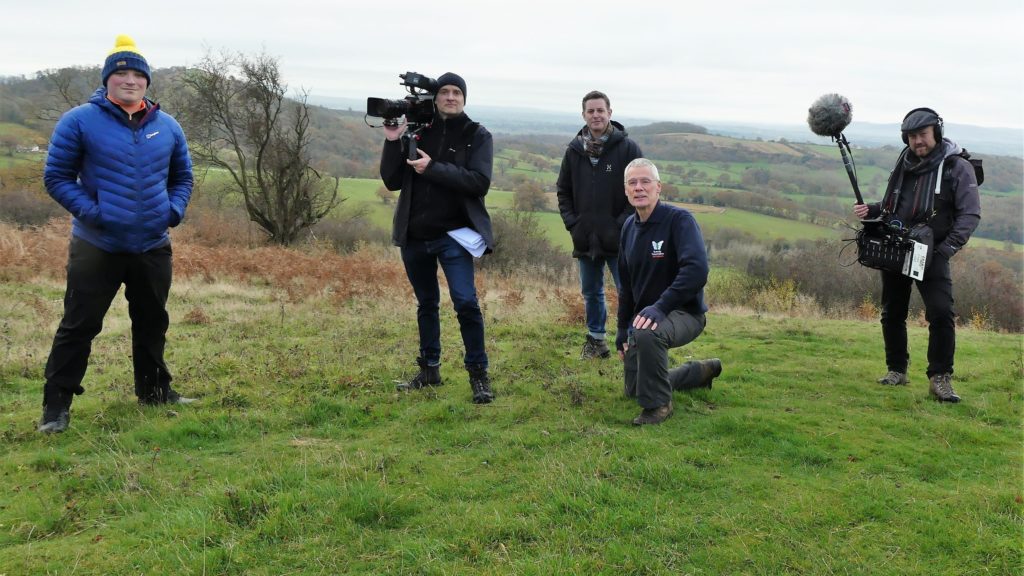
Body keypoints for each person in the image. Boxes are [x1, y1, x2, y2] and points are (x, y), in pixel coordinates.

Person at [38, 35, 195, 433]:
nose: (130, 80)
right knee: (79, 325)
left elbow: (183, 177)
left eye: (137, 74)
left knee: (152, 320)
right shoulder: (79, 121)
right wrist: (95, 214)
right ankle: (56, 408)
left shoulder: (168, 126)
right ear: (107, 79)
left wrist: (172, 211)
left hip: (152, 244)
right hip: (98, 245)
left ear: (147, 82)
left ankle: (155, 392)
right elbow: (56, 177)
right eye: (121, 73)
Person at [379, 72, 495, 404]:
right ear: (436, 97)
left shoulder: (477, 135)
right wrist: (392, 140)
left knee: (466, 303)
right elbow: (392, 180)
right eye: (444, 91)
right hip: (415, 234)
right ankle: (429, 369)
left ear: (464, 98)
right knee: (426, 304)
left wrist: (433, 168)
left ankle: (478, 376)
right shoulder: (418, 130)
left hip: (454, 236)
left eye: (456, 92)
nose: (450, 97)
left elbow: (479, 183)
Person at [853, 107, 981, 402]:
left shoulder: (956, 166)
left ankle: (940, 378)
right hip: (897, 247)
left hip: (933, 252)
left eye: (922, 135)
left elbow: (970, 214)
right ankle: (896, 370)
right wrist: (871, 210)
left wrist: (945, 250)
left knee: (941, 313)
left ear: (936, 132)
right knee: (892, 312)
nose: (917, 142)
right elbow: (893, 206)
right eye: (911, 136)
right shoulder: (904, 164)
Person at [616, 158, 722, 425]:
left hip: (684, 313)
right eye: (632, 183)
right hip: (647, 318)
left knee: (648, 331)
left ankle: (659, 406)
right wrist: (621, 329)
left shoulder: (679, 221)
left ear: (658, 187)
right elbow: (626, 286)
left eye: (645, 181)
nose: (639, 188)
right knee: (634, 389)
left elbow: (697, 271)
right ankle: (698, 372)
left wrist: (660, 307)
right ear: (626, 190)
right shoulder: (628, 227)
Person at [556, 90, 642, 359]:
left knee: (628, 292)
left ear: (610, 113)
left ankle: (634, 343)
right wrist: (573, 223)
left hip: (621, 238)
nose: (596, 115)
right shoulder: (574, 150)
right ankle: (596, 342)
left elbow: (638, 190)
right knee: (591, 292)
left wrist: (620, 226)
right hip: (585, 238)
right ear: (584, 115)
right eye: (590, 111)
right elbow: (563, 190)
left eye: (600, 110)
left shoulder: (628, 149)